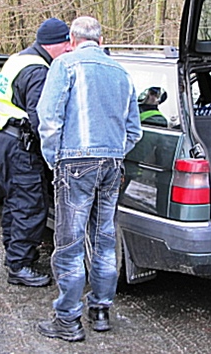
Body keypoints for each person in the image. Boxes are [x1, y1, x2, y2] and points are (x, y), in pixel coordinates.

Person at [36, 16, 142, 342]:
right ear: (100, 38)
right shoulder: (122, 73)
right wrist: (112, 152)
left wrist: (55, 159)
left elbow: (49, 118)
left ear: (72, 38)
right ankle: (100, 310)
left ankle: (67, 319)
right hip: (112, 163)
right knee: (103, 239)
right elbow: (134, 131)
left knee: (69, 243)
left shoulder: (65, 65)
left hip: (75, 161)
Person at [0, 18, 71, 287]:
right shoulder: (38, 71)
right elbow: (42, 120)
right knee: (30, 203)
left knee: (15, 199)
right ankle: (20, 265)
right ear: (57, 43)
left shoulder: (19, 59)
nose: (69, 49)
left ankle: (14, 254)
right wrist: (56, 154)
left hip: (0, 137)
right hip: (19, 145)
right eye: (67, 43)